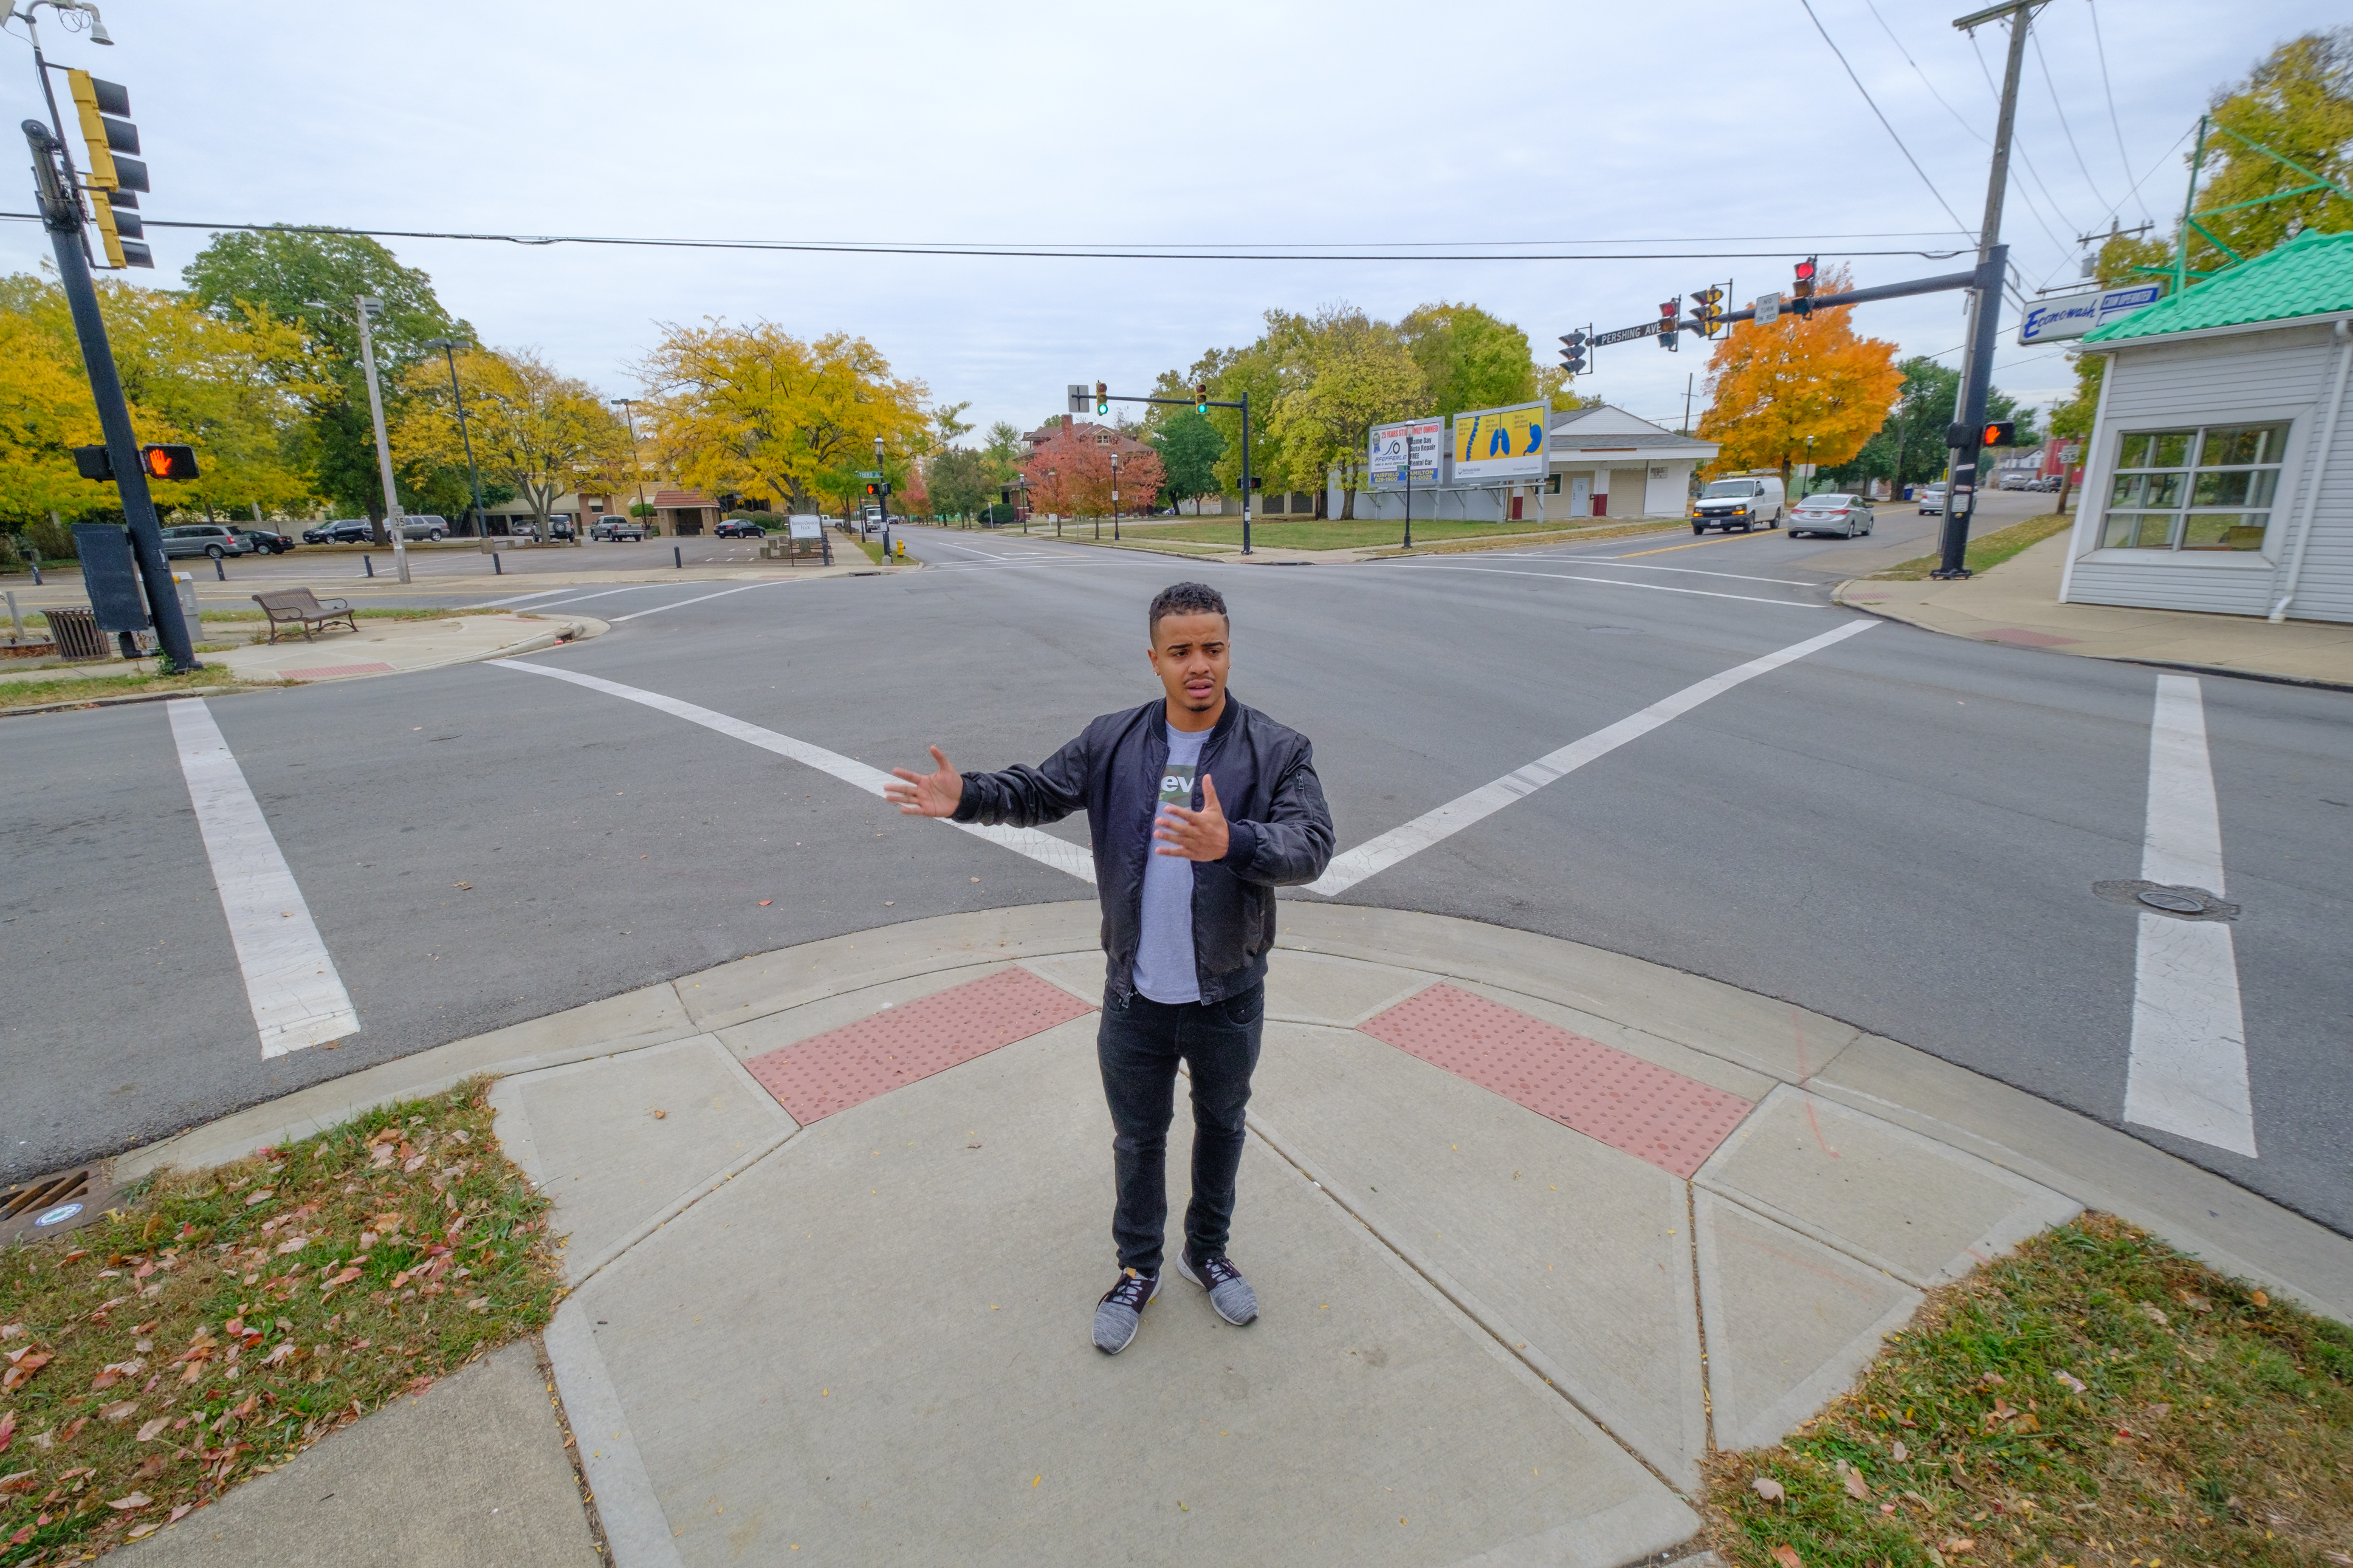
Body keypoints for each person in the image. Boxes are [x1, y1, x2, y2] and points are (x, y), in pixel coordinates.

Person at [884, 581, 1334, 1354]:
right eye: (1182, 650)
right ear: (1154, 658)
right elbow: (1036, 791)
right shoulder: (1113, 740)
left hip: (1228, 992)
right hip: (1134, 997)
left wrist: (1236, 843)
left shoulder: (1277, 748)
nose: (1200, 665)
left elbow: (1311, 846)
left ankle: (1207, 1251)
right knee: (1138, 1139)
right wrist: (966, 799)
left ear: (1229, 651)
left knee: (1222, 1125)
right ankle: (1137, 1266)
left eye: (1213, 648)